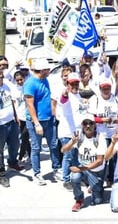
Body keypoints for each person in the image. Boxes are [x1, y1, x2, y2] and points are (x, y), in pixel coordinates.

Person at [24, 58, 61, 186]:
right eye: (48, 69)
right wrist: (36, 123)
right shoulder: (30, 84)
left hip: (49, 119)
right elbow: (30, 105)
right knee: (36, 148)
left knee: (53, 145)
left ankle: (56, 169)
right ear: (42, 70)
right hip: (37, 121)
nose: (49, 71)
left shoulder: (45, 80)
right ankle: (37, 173)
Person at [61, 114, 106, 212]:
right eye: (85, 123)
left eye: (90, 123)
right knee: (74, 177)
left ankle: (96, 187)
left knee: (97, 200)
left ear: (95, 125)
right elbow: (63, 150)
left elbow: (99, 161)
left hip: (96, 172)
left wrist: (80, 169)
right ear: (82, 125)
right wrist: (72, 143)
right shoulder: (80, 137)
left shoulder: (100, 138)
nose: (88, 126)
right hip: (84, 170)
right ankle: (79, 199)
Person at [0, 69, 22, 188]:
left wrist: (16, 115)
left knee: (15, 144)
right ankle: (1, 173)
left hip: (11, 121)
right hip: (0, 124)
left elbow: (12, 102)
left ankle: (12, 162)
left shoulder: (7, 85)